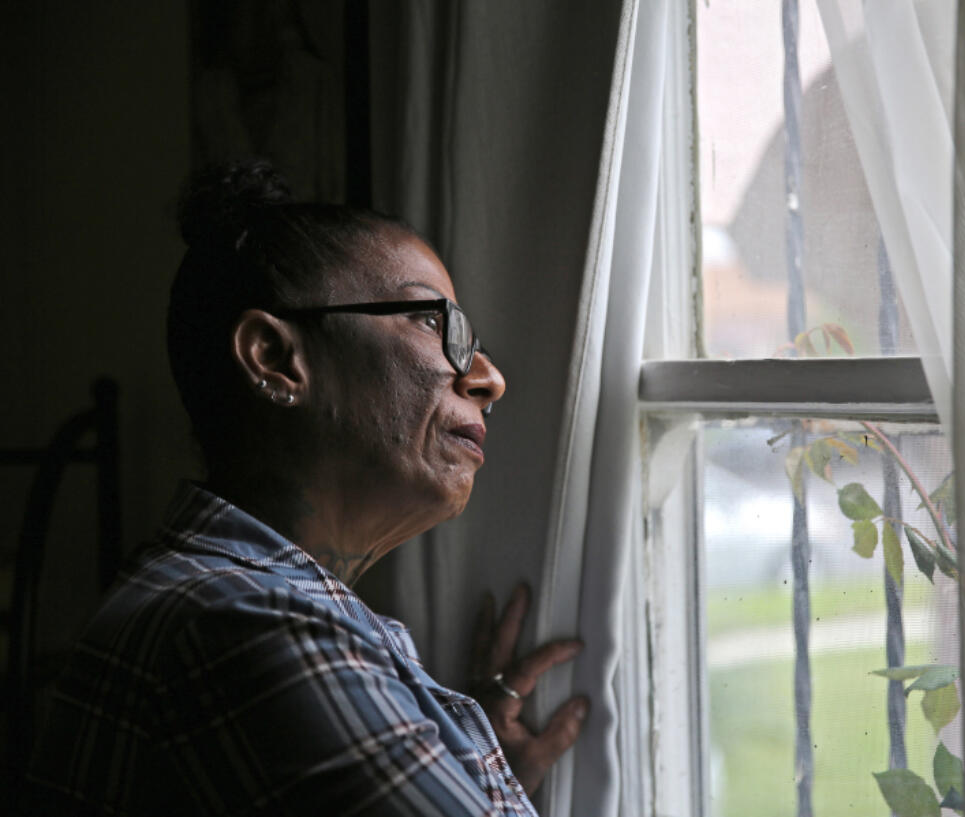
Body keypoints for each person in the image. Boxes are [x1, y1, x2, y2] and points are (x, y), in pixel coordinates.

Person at [22, 161, 588, 816]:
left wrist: (462, 764)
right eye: (434, 324)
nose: (488, 377)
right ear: (274, 357)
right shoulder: (250, 627)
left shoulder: (226, 603)